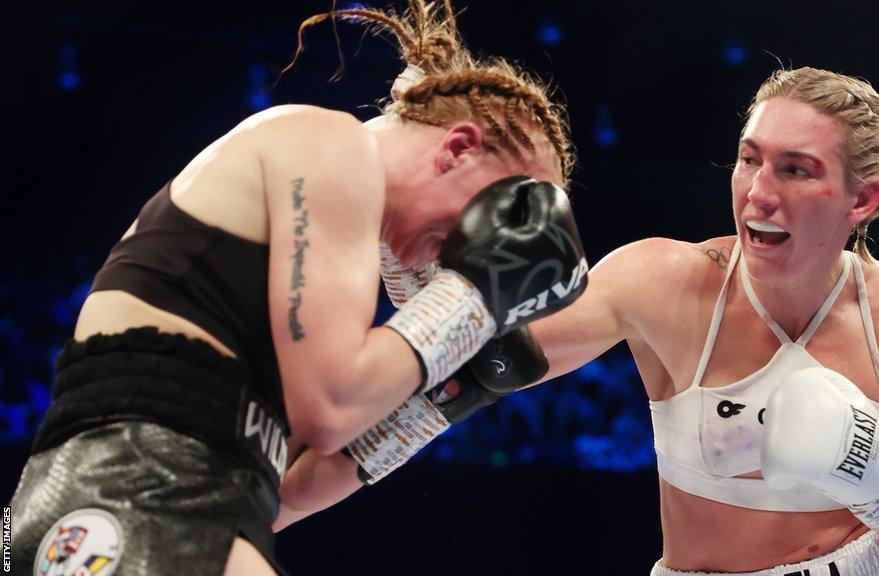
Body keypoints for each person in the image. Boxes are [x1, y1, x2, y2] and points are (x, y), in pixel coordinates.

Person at [7, 1, 586, 575]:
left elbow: (284, 493)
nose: (494, 242)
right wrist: (478, 298)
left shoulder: (318, 287)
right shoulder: (330, 144)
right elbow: (331, 408)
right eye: (509, 211)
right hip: (127, 492)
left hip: (116, 506)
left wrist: (442, 403)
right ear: (457, 149)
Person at [528, 67, 879, 574]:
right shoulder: (665, 283)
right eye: (749, 159)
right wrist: (437, 272)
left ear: (862, 199)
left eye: (795, 169)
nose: (758, 193)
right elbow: (501, 361)